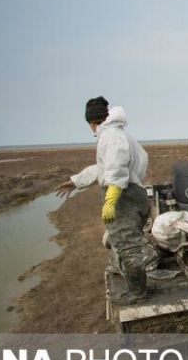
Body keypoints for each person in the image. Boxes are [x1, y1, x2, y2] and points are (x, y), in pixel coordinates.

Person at [55, 97, 157, 303]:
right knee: (119, 241)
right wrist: (76, 181)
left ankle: (138, 293)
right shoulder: (115, 134)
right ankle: (133, 276)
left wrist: (111, 201)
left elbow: (116, 171)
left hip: (124, 197)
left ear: (91, 121)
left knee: (128, 247)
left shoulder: (111, 137)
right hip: (131, 194)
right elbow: (103, 169)